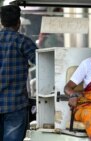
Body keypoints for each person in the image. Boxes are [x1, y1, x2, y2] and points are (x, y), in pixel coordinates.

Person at [0, 5, 37, 141]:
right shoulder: (22, 41)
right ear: (18, 23)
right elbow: (43, 63)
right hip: (15, 104)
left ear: (2, 22)